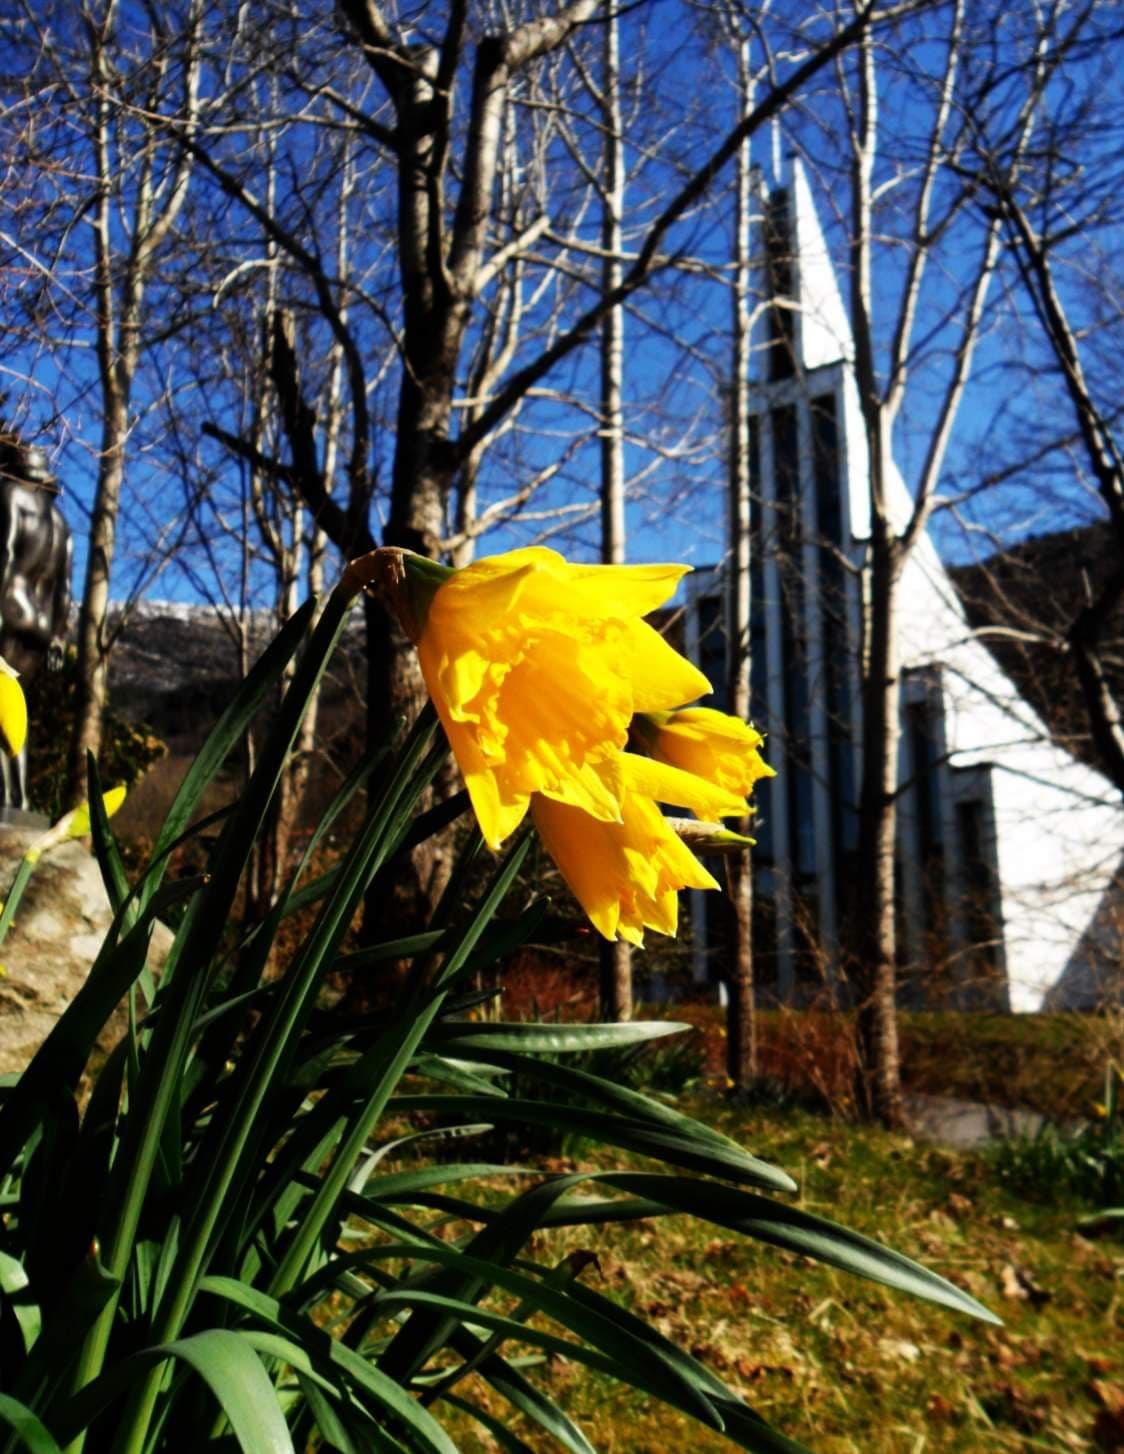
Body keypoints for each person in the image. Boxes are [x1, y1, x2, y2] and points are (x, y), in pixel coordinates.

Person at [0, 438, 72, 812]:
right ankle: (19, 799)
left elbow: (7, 554)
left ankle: (10, 800)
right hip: (42, 629)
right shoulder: (61, 526)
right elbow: (65, 591)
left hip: (9, 612)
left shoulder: (12, 497)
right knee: (14, 710)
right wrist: (58, 638)